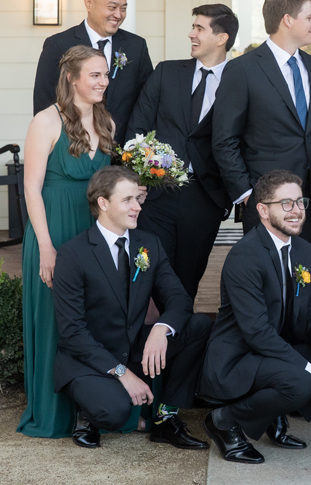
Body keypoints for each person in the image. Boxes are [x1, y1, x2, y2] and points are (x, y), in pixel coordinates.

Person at [200, 170, 311, 465]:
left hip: (279, 349)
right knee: (302, 382)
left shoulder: (304, 250)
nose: (296, 211)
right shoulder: (245, 255)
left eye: (300, 202)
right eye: (286, 204)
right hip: (241, 355)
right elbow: (256, 332)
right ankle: (224, 420)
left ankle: (274, 411)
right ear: (262, 210)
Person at [53, 166, 213, 450]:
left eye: (137, 199)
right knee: (113, 413)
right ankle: (87, 412)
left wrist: (161, 329)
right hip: (90, 359)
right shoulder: (73, 254)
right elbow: (72, 333)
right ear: (103, 203)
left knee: (199, 326)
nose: (137, 207)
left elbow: (179, 298)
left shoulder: (148, 244)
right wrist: (122, 373)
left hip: (135, 346)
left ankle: (165, 418)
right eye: (127, 200)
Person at [16, 45, 113, 438]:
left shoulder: (106, 121)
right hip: (53, 226)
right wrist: (46, 245)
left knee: (93, 317)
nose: (103, 82)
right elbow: (31, 187)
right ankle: (53, 412)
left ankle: (93, 407)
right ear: (72, 78)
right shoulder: (45, 121)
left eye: (105, 74)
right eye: (95, 75)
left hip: (92, 229)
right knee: (55, 320)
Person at [127, 4, 236, 301]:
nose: (191, 34)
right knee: (147, 276)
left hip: (205, 199)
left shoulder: (240, 81)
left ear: (221, 38)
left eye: (199, 28)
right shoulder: (166, 72)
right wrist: (136, 182)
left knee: (187, 281)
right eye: (193, 27)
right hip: (155, 195)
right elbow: (137, 129)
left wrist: (229, 196)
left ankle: (178, 330)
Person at [212, 0, 311, 259]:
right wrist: (247, 194)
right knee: (267, 276)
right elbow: (224, 139)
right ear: (288, 20)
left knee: (307, 275)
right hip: (267, 201)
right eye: (309, 17)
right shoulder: (242, 69)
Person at [33, 0, 153, 145]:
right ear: (89, 3)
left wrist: (134, 147)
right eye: (112, 7)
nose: (118, 15)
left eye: (123, 8)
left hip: (123, 151)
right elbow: (44, 102)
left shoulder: (136, 46)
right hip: (74, 149)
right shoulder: (58, 45)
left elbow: (146, 103)